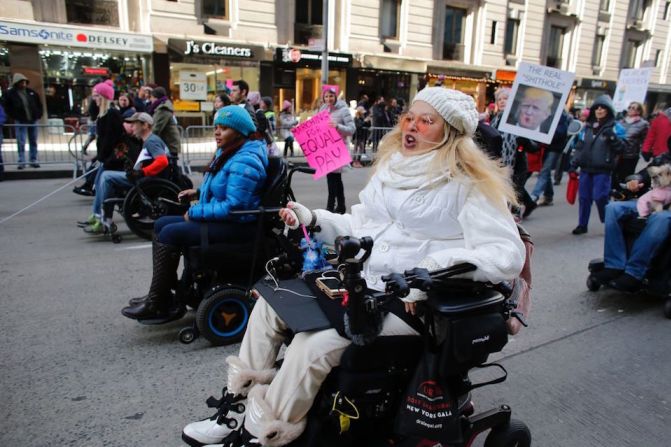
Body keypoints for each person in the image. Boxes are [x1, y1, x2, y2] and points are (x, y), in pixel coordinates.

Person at [180, 87, 526, 447]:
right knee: (270, 304)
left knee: (310, 346)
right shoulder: (393, 170)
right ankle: (235, 408)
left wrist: (433, 270)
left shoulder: (468, 184)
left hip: (416, 303)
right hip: (367, 285)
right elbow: (360, 227)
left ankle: (265, 434)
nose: (412, 127)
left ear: (451, 133)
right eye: (410, 117)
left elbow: (505, 253)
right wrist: (311, 218)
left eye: (427, 121)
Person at [121, 106, 267, 322]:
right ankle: (162, 295)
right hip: (227, 218)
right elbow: (225, 187)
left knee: (170, 233)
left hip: (238, 225)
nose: (217, 132)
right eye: (216, 127)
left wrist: (196, 211)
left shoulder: (245, 160)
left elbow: (234, 206)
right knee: (161, 224)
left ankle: (157, 301)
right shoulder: (230, 150)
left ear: (239, 131)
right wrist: (197, 193)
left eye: (224, 128)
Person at [596, 149, 671, 292]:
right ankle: (614, 265)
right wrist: (637, 181)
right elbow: (646, 174)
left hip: (665, 211)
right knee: (613, 208)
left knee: (660, 217)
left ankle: (634, 273)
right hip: (653, 200)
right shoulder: (665, 157)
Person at [84, 112, 169, 235]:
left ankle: (103, 218)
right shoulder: (148, 140)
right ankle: (103, 217)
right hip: (145, 178)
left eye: (134, 124)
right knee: (107, 175)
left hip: (147, 181)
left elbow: (162, 161)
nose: (132, 127)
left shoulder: (151, 141)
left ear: (145, 125)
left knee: (106, 177)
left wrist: (142, 172)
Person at [570, 95, 624, 235]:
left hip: (603, 169)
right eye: (597, 108)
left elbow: (622, 148)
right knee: (584, 198)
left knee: (601, 197)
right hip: (586, 168)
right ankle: (582, 225)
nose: (599, 110)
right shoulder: (586, 127)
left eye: (603, 108)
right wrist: (573, 164)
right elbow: (580, 147)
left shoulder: (615, 127)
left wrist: (612, 137)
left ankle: (608, 221)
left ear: (608, 110)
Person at [78, 80, 126, 231]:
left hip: (112, 159)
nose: (94, 99)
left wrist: (102, 157)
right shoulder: (102, 115)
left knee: (102, 186)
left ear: (103, 97)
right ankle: (96, 214)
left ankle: (100, 218)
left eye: (96, 95)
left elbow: (111, 139)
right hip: (106, 157)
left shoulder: (112, 114)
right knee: (98, 187)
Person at [321, 86, 355, 214]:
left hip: (338, 149)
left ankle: (331, 206)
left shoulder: (343, 110)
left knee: (333, 179)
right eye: (326, 96)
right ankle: (340, 206)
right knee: (334, 179)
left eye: (331, 96)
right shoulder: (322, 110)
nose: (328, 99)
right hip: (326, 149)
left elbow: (352, 129)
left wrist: (338, 127)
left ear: (335, 97)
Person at [2, 73, 43, 169]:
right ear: (17, 83)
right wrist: (13, 116)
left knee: (33, 140)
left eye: (24, 82)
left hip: (32, 119)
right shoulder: (10, 94)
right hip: (21, 120)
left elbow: (38, 104)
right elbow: (7, 106)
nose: (23, 84)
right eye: (21, 82)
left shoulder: (31, 92)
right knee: (21, 141)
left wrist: (38, 114)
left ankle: (33, 159)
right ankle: (22, 160)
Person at [529, 111, 570, 206]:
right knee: (545, 173)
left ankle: (534, 196)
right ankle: (548, 196)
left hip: (554, 148)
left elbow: (561, 131)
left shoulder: (560, 115)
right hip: (544, 147)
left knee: (544, 171)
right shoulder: (542, 113)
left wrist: (546, 133)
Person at [613, 101, 648, 187]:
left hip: (630, 156)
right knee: (613, 177)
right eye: (629, 107)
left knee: (625, 178)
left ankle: (623, 196)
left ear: (639, 111)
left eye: (633, 108)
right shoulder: (620, 122)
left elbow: (645, 140)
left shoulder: (643, 124)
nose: (630, 109)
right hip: (617, 154)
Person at [148, 87, 181, 156]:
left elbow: (157, 128)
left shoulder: (163, 109)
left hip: (169, 144)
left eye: (151, 97)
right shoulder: (160, 107)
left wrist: (148, 139)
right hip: (166, 143)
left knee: (171, 165)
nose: (150, 99)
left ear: (156, 97)